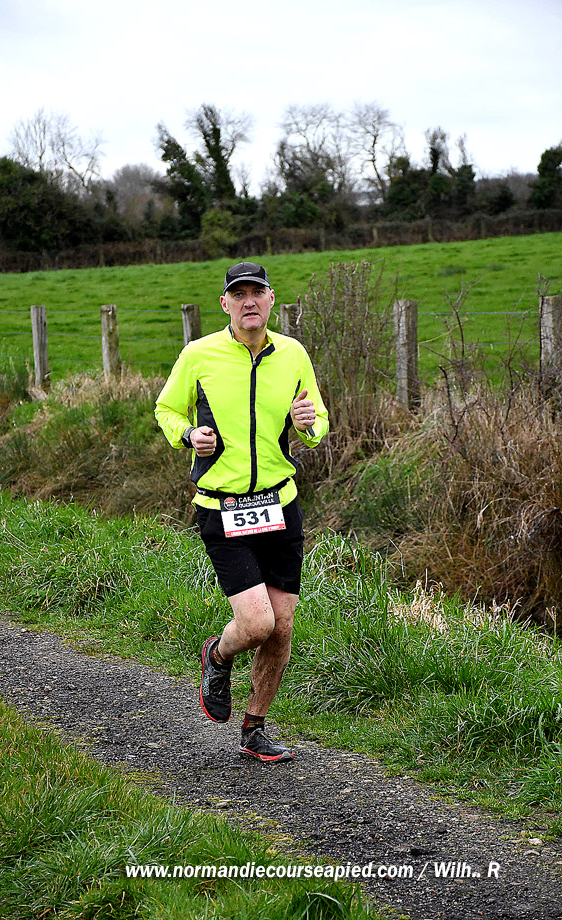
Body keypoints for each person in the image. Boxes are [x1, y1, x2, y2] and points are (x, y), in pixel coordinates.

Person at [155, 261, 328, 762]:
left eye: (257, 292)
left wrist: (308, 424)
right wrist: (188, 434)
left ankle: (255, 729)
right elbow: (166, 409)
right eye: (239, 294)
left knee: (283, 626)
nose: (249, 301)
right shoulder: (199, 354)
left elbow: (318, 422)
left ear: (271, 300)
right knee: (256, 625)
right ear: (225, 303)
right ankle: (218, 653)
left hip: (280, 505)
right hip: (222, 506)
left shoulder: (293, 354)